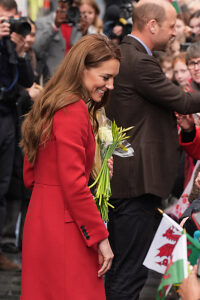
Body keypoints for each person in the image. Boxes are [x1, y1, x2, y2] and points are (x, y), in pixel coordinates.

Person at [104, 1, 200, 299]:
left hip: (130, 179)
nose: (175, 33)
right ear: (152, 25)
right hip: (137, 183)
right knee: (130, 272)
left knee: (125, 268)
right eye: (171, 27)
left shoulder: (128, 54)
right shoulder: (138, 60)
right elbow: (183, 102)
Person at [20, 34, 120, 300]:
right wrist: (101, 237)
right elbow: (73, 183)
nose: (110, 85)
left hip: (40, 219)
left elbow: (30, 175)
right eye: (105, 77)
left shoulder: (49, 103)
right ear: (82, 69)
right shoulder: (73, 110)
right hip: (65, 227)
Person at [0, 0, 34, 270]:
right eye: (3, 20)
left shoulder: (11, 47)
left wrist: (19, 51)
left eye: (11, 20)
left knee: (4, 185)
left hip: (8, 120)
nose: (8, 26)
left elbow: (26, 80)